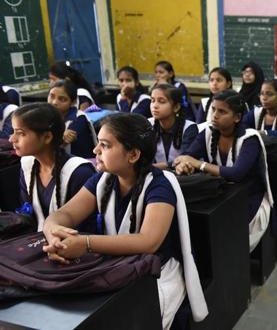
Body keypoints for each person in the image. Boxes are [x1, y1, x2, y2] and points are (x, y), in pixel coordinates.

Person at [41, 113, 208, 329]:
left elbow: (148, 242)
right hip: (117, 264)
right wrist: (53, 233)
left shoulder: (159, 186)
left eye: (105, 145)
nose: (95, 151)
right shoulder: (103, 179)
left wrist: (85, 243)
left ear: (133, 155)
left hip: (156, 272)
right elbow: (65, 214)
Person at [174, 89, 273, 252]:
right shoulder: (208, 132)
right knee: (192, 220)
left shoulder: (250, 139)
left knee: (219, 233)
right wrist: (183, 164)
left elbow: (236, 173)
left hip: (247, 199)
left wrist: (199, 165)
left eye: (222, 111)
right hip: (219, 194)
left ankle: (225, 264)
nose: (215, 115)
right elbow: (188, 156)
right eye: (213, 109)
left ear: (237, 117)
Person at [10, 103, 95, 232]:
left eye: (20, 133)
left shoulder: (79, 172)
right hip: (36, 242)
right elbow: (27, 214)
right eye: (13, 132)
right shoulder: (27, 165)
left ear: (47, 137)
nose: (11, 139)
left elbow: (84, 226)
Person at [148, 84, 198, 169]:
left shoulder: (189, 128)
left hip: (181, 176)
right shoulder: (148, 124)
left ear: (176, 107)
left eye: (161, 101)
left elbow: (185, 159)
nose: (154, 106)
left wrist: (152, 167)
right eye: (152, 100)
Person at [48, 79, 97, 158]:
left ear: (73, 102)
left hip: (82, 164)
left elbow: (59, 143)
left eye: (62, 99)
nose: (54, 102)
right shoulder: (47, 116)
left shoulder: (79, 118)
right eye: (52, 96)